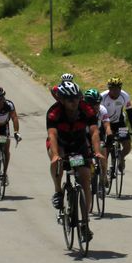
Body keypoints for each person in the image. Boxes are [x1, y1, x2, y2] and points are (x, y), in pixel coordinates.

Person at [46, 81, 102, 228]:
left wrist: (97, 152)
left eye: (77, 98)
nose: (74, 102)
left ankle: (85, 222)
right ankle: (58, 191)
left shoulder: (86, 109)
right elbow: (52, 134)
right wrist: (57, 154)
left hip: (78, 142)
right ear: (62, 100)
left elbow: (95, 131)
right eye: (70, 99)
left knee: (85, 178)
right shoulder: (54, 112)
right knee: (55, 160)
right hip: (60, 142)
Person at [101, 76, 132, 173]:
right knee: (107, 148)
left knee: (127, 145)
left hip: (119, 123)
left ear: (120, 89)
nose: (115, 91)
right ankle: (104, 172)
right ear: (109, 89)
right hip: (106, 123)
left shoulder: (125, 96)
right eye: (113, 89)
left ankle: (121, 157)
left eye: (117, 89)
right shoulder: (103, 97)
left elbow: (130, 114)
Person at [0, 86, 21, 185]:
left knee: (6, 149)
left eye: (1, 98)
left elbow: (14, 118)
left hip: (3, 128)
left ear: (4, 97)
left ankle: (4, 173)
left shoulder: (9, 105)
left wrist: (16, 132)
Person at [84, 87, 112, 174]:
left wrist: (110, 135)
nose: (96, 106)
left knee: (102, 151)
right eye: (93, 104)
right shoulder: (81, 111)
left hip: (97, 134)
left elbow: (107, 125)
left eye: (98, 103)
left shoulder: (102, 110)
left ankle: (104, 176)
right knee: (85, 155)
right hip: (84, 135)